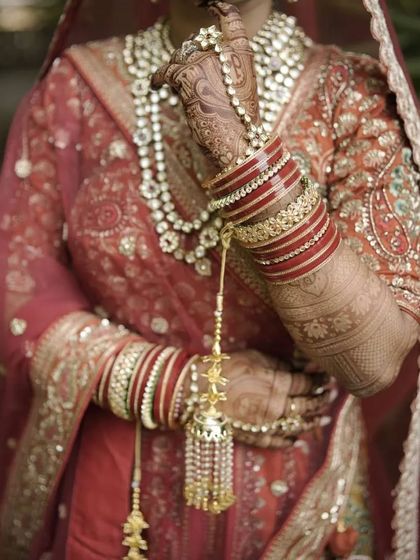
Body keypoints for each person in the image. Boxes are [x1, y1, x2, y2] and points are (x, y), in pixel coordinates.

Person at [0, 0, 418, 558]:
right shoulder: (75, 89)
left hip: (299, 489)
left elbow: (373, 360)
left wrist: (241, 156)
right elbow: (19, 292)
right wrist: (178, 385)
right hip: (118, 485)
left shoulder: (353, 96)